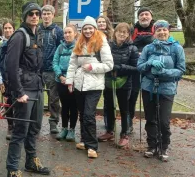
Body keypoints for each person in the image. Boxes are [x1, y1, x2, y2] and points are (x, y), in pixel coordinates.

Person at [6, 2, 49, 177]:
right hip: (25, 90)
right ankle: (12, 169)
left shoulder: (36, 34)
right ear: (25, 16)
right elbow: (11, 67)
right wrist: (18, 92)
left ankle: (31, 161)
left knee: (35, 128)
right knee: (20, 130)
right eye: (30, 13)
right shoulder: (19, 36)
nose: (34, 16)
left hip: (37, 87)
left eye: (37, 13)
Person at [137, 20, 185, 161]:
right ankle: (152, 146)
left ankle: (163, 147)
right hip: (149, 87)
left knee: (164, 121)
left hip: (167, 88)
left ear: (168, 31)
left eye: (164, 30)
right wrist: (149, 63)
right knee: (150, 118)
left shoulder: (177, 48)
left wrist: (164, 72)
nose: (162, 32)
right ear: (154, 32)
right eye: (159, 30)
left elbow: (181, 71)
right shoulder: (149, 48)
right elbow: (140, 67)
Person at [66, 16, 113, 159]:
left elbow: (109, 65)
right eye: (85, 28)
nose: (87, 31)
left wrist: (92, 67)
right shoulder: (79, 43)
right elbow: (72, 64)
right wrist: (70, 81)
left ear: (94, 28)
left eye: (90, 28)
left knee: (88, 115)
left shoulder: (101, 43)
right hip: (79, 83)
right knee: (82, 114)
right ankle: (85, 141)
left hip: (94, 85)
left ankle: (92, 146)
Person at [97, 23, 139, 148]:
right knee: (109, 106)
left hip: (125, 82)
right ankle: (110, 130)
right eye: (119, 32)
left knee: (124, 108)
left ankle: (124, 134)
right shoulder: (107, 46)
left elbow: (135, 68)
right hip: (109, 80)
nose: (122, 34)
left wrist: (119, 67)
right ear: (115, 33)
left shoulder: (132, 49)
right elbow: (101, 60)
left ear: (128, 34)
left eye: (125, 32)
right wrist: (109, 67)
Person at [129, 7, 155, 133]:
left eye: (146, 14)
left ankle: (152, 125)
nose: (144, 17)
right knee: (132, 96)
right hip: (134, 68)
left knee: (150, 97)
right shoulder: (132, 30)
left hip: (151, 70)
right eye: (141, 15)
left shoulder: (157, 29)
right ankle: (129, 122)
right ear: (138, 17)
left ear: (151, 16)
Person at [38, 5, 63, 134]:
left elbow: (61, 50)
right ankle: (36, 121)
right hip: (38, 70)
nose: (46, 16)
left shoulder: (58, 31)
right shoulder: (37, 29)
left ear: (53, 15)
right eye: (44, 14)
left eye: (49, 13)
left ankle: (53, 122)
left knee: (53, 98)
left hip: (52, 70)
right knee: (37, 97)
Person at [53, 25, 78, 142]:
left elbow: (80, 64)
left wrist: (70, 78)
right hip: (60, 80)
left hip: (73, 81)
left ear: (75, 34)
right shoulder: (60, 48)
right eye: (65, 33)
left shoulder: (78, 47)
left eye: (69, 32)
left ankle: (72, 129)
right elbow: (55, 62)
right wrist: (60, 76)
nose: (67, 35)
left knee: (73, 106)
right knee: (64, 106)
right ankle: (64, 128)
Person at [0, 20, 15, 140]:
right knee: (8, 103)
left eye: (9, 28)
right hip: (5, 78)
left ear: (13, 29)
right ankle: (10, 126)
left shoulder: (18, 42)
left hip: (16, 78)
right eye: (5, 28)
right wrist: (0, 81)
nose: (7, 30)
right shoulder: (0, 45)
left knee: (18, 102)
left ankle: (18, 125)